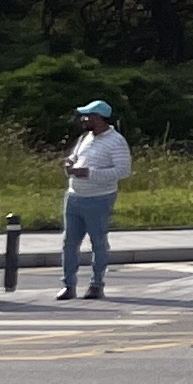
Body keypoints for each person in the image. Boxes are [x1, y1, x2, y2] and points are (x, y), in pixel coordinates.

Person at [59, 100, 131, 300]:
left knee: (98, 241)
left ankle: (96, 284)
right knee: (69, 242)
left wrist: (89, 173)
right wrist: (69, 163)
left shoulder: (116, 141)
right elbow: (74, 156)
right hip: (74, 195)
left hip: (98, 198)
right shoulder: (85, 137)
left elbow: (123, 170)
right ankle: (68, 285)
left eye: (88, 116)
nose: (83, 120)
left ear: (99, 118)